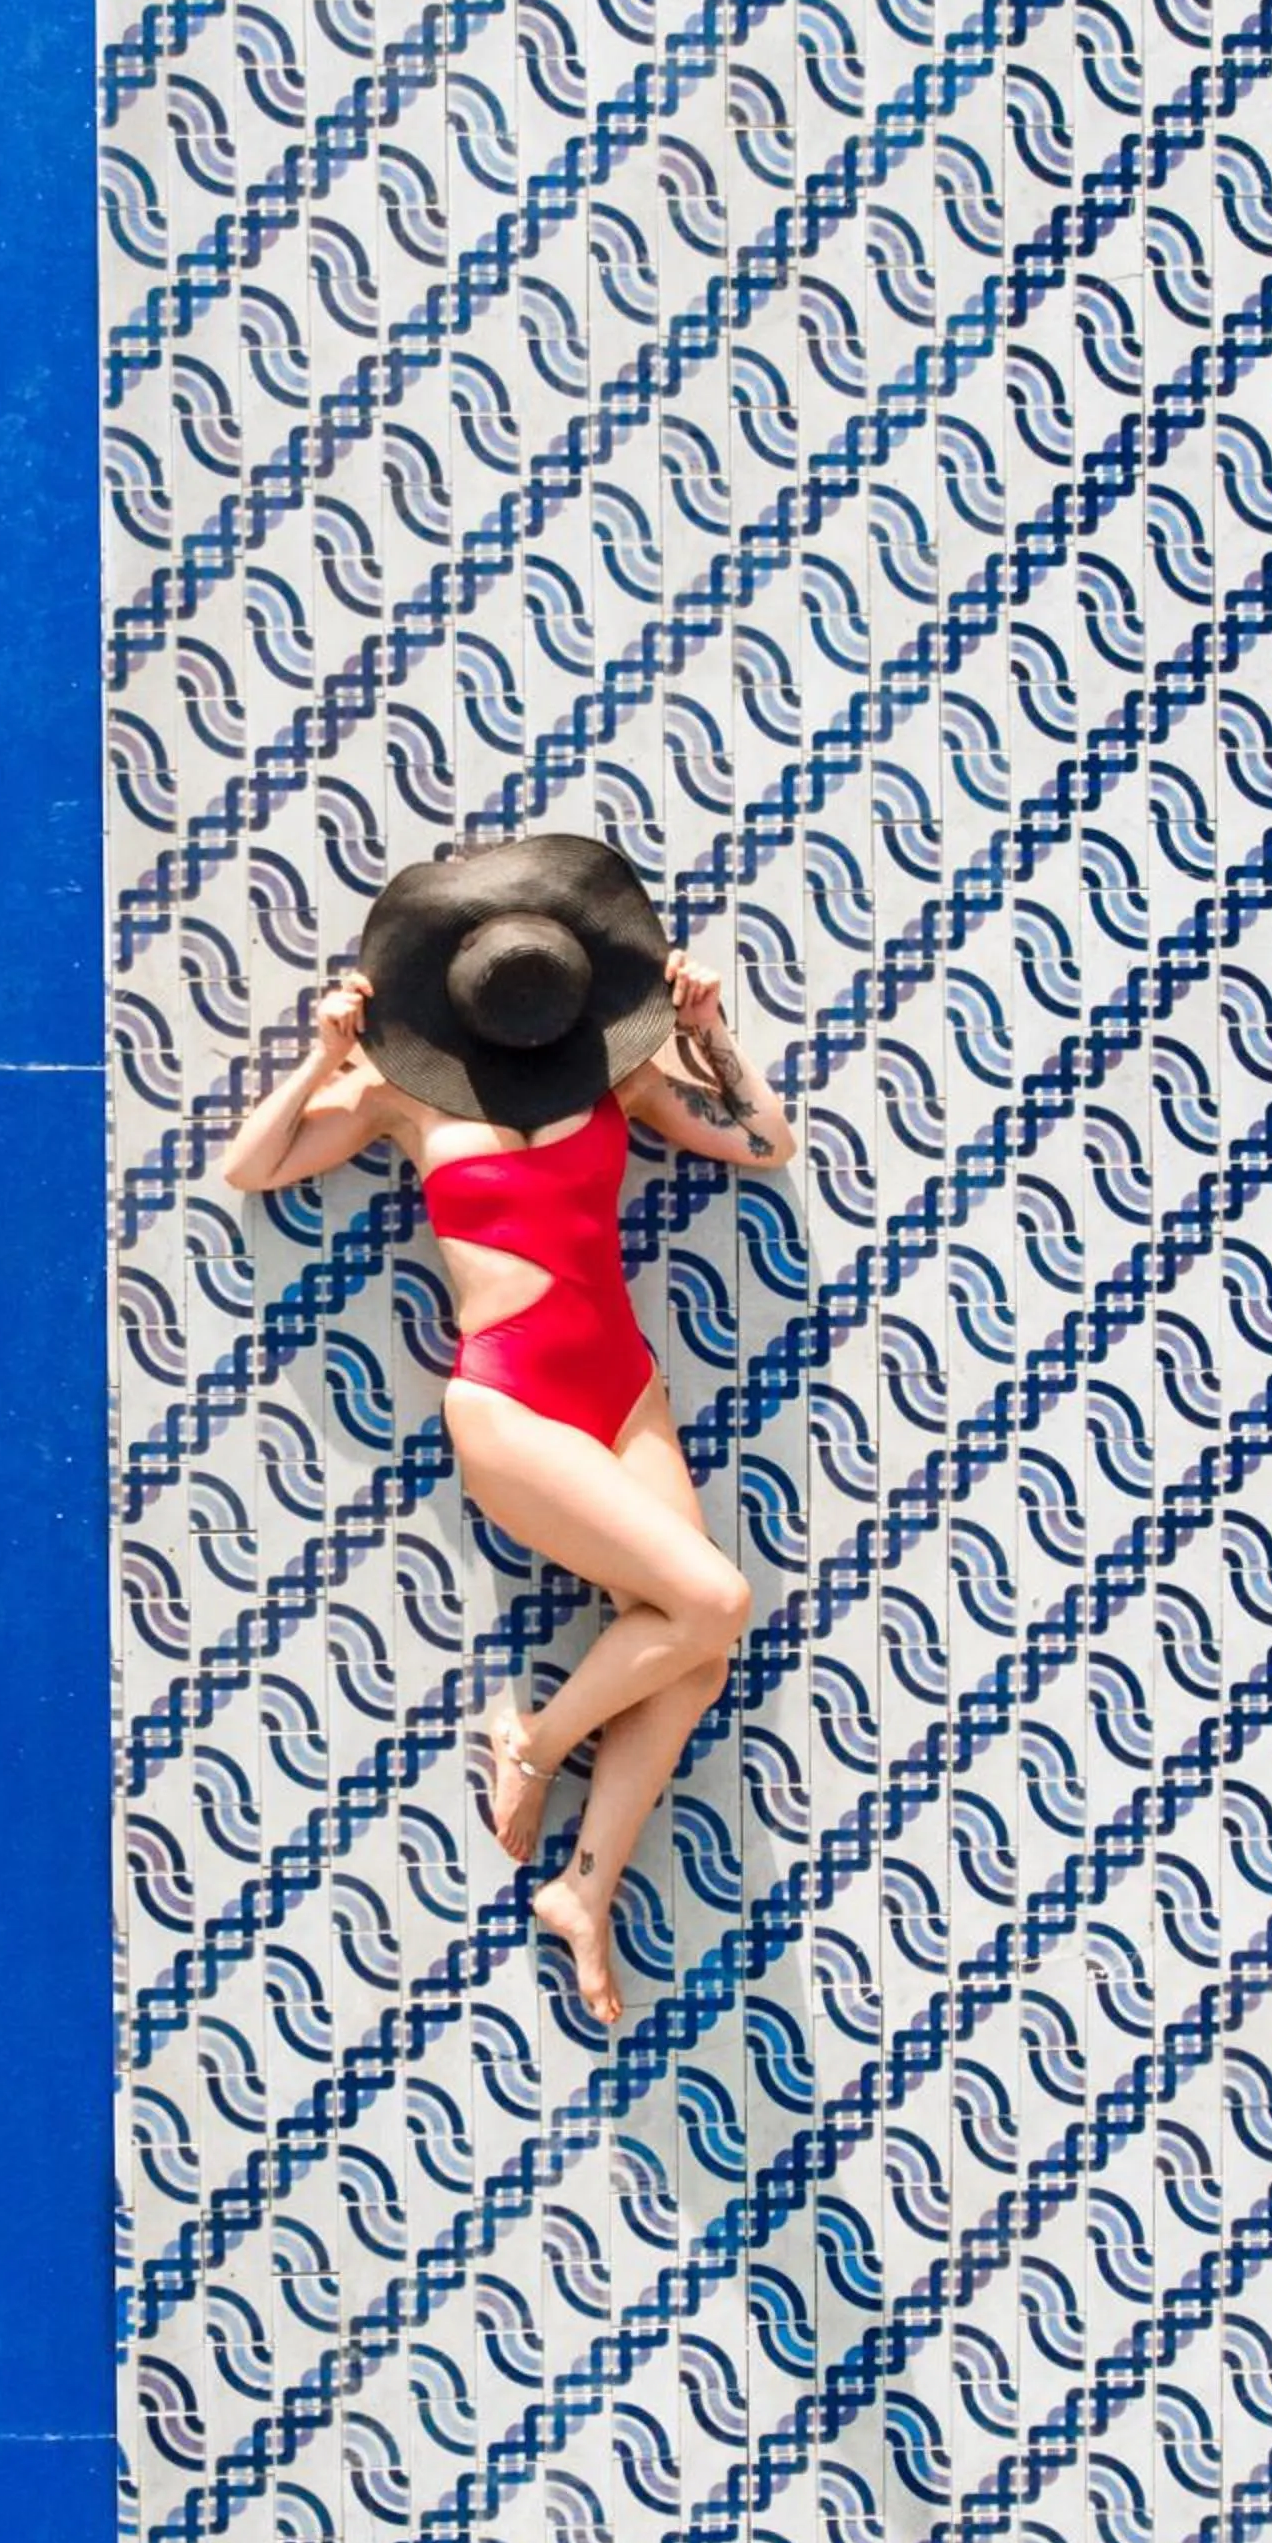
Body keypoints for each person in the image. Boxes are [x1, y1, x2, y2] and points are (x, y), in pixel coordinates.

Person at [218, 836, 796, 2024]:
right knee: (715, 1600)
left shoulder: (619, 1078)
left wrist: (710, 1031)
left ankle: (584, 1889)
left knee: (698, 1646)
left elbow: (764, 1144)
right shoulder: (395, 1093)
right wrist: (321, 1056)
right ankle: (530, 1744)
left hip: (624, 1389)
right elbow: (251, 1167)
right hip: (513, 1399)